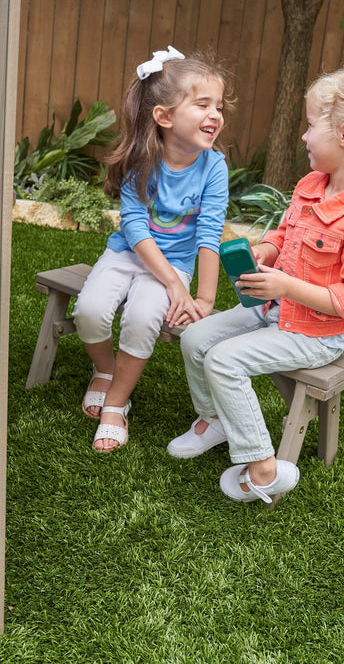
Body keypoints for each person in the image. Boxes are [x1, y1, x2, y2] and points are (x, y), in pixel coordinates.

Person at [168, 59, 344, 502]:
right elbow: (285, 236)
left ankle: (263, 468)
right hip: (274, 312)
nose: (303, 135)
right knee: (195, 339)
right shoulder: (310, 185)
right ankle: (215, 421)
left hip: (318, 333)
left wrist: (286, 288)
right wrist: (266, 252)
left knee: (224, 360)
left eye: (310, 125)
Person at [73, 46, 233, 452]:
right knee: (89, 312)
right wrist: (174, 288)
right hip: (126, 253)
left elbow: (209, 234)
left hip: (176, 263)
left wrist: (204, 297)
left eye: (219, 105)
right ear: (163, 117)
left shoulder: (214, 167)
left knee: (144, 317)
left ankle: (117, 403)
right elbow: (134, 227)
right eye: (202, 104)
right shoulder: (141, 158)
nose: (216, 114)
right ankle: (106, 370)